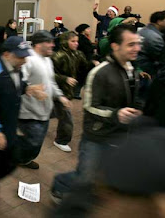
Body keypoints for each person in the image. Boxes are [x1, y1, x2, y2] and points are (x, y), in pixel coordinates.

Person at [51, 25, 143, 203]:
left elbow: (131, 98)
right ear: (115, 46)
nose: (137, 48)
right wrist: (116, 114)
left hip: (118, 134)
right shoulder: (100, 73)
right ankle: (60, 184)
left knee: (101, 176)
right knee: (85, 176)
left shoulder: (131, 70)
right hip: (97, 136)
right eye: (131, 44)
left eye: (138, 44)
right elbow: (90, 107)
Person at [0, 36, 45, 190]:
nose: (25, 60)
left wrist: (29, 89)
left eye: (25, 56)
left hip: (8, 125)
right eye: (21, 56)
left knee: (11, 160)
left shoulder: (16, 68)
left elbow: (17, 85)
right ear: (7, 54)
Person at [18, 31, 70, 169]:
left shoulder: (47, 59)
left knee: (37, 141)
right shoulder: (28, 59)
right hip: (29, 112)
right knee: (33, 141)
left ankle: (24, 158)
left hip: (44, 111)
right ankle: (19, 158)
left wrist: (60, 96)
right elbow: (19, 81)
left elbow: (51, 82)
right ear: (38, 44)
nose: (53, 45)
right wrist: (32, 90)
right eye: (49, 42)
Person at [52, 31, 90, 152]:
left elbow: (86, 66)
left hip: (67, 91)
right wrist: (65, 79)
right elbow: (50, 74)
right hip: (58, 91)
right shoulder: (58, 56)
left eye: (77, 41)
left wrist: (94, 63)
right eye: (72, 41)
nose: (76, 44)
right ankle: (61, 140)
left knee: (53, 112)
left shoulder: (77, 54)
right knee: (66, 119)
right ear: (64, 42)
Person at [137, 11, 165, 77]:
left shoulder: (142, 30)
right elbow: (163, 59)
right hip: (146, 70)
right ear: (159, 22)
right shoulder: (155, 37)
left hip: (138, 65)